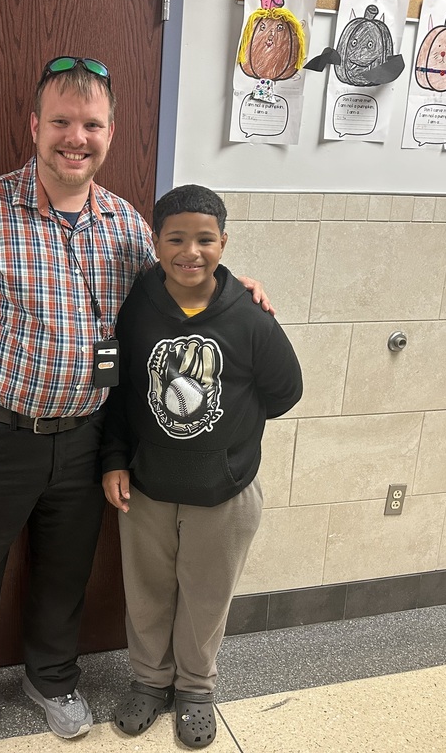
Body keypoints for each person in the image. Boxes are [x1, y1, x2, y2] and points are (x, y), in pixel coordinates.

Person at [0, 58, 271, 753]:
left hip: (83, 440)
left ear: (110, 133)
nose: (76, 138)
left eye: (91, 124)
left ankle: (51, 679)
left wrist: (232, 291)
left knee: (65, 575)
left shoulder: (124, 224)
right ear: (35, 126)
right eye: (62, 122)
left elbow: (175, 298)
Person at [100, 185, 302, 748]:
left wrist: (228, 440)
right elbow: (118, 394)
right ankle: (149, 681)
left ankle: (195, 688)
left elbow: (285, 392)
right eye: (176, 239)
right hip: (146, 486)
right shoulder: (136, 307)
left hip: (224, 491)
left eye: (205, 240)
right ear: (155, 243)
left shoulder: (250, 317)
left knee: (206, 597)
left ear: (224, 243)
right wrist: (114, 459)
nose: (191, 252)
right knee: (147, 593)